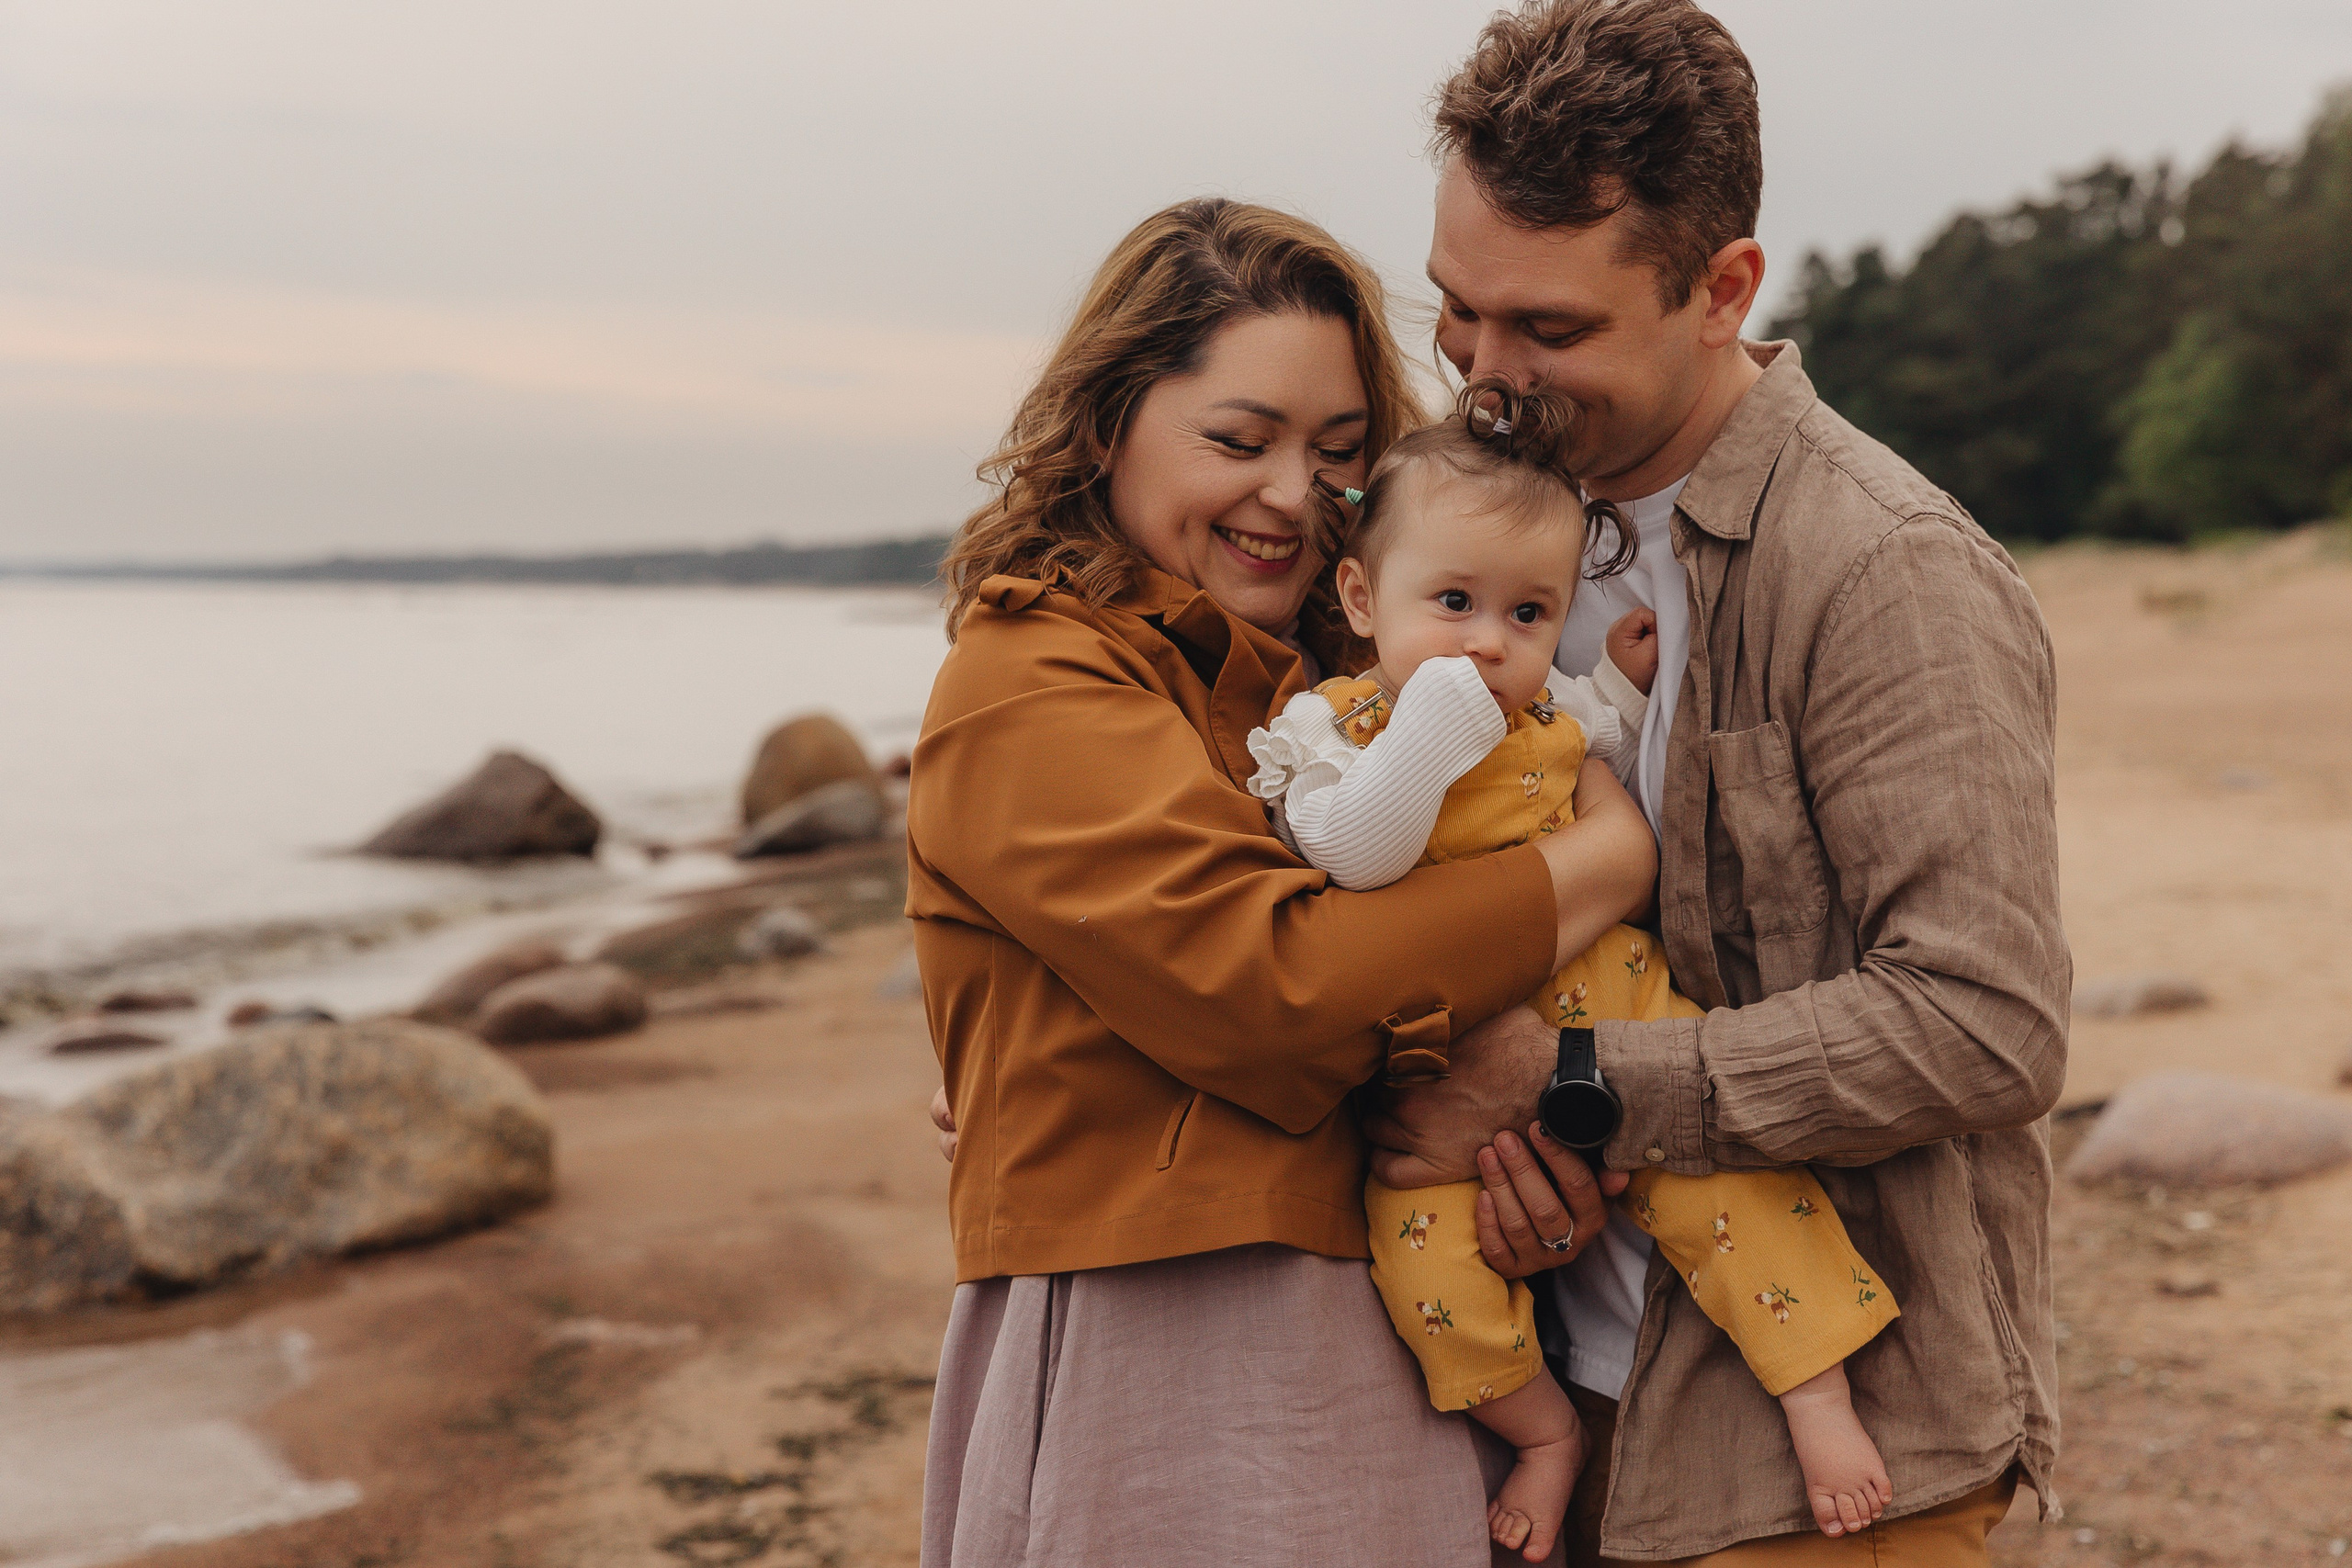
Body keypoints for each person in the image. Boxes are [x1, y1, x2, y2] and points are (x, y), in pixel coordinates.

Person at [1365, 4, 2072, 1563]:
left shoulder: (1888, 570)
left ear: (1723, 287)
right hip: (1548, 1405)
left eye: (1547, 330)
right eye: (1455, 312)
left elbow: (1985, 1020)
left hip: (1837, 1459)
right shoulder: (1471, 531)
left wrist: (1576, 1092)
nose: (1485, 376)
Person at [908, 196, 1660, 1568]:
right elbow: (1281, 985)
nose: (1286, 494)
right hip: (1165, 1331)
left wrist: (1525, 1113)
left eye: (1337, 451)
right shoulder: (1027, 676)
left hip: (1401, 1316)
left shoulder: (1327, 686)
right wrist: (1603, 858)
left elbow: (1375, 989)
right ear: (1104, 426)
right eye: (1238, 440)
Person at [1245, 380, 1900, 1561]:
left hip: (1615, 1003)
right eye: (1451, 603)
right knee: (1423, 1261)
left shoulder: (1542, 704)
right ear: (1358, 596)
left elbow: (1592, 722)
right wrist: (1425, 736)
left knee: (1740, 1195)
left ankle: (1815, 1393)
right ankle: (1542, 1436)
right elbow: (1349, 850)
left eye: (1530, 612)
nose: (1488, 644)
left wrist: (1622, 679)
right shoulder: (1326, 734)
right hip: (1442, 1092)